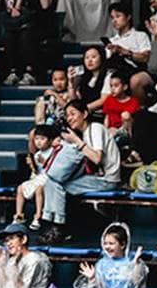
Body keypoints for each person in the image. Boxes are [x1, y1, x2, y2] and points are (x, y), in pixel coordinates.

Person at [43, 99, 123, 240]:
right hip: (96, 177)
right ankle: (55, 225)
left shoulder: (95, 128)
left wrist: (76, 141)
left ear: (85, 114)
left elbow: (97, 158)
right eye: (67, 115)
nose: (70, 118)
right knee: (53, 181)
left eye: (73, 114)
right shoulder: (85, 133)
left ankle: (59, 228)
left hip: (107, 180)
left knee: (58, 184)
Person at [1, 0, 57, 86]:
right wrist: (14, 9)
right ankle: (13, 71)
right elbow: (18, 3)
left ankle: (30, 72)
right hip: (26, 18)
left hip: (43, 20)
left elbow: (45, 5)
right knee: (9, 34)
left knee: (27, 34)